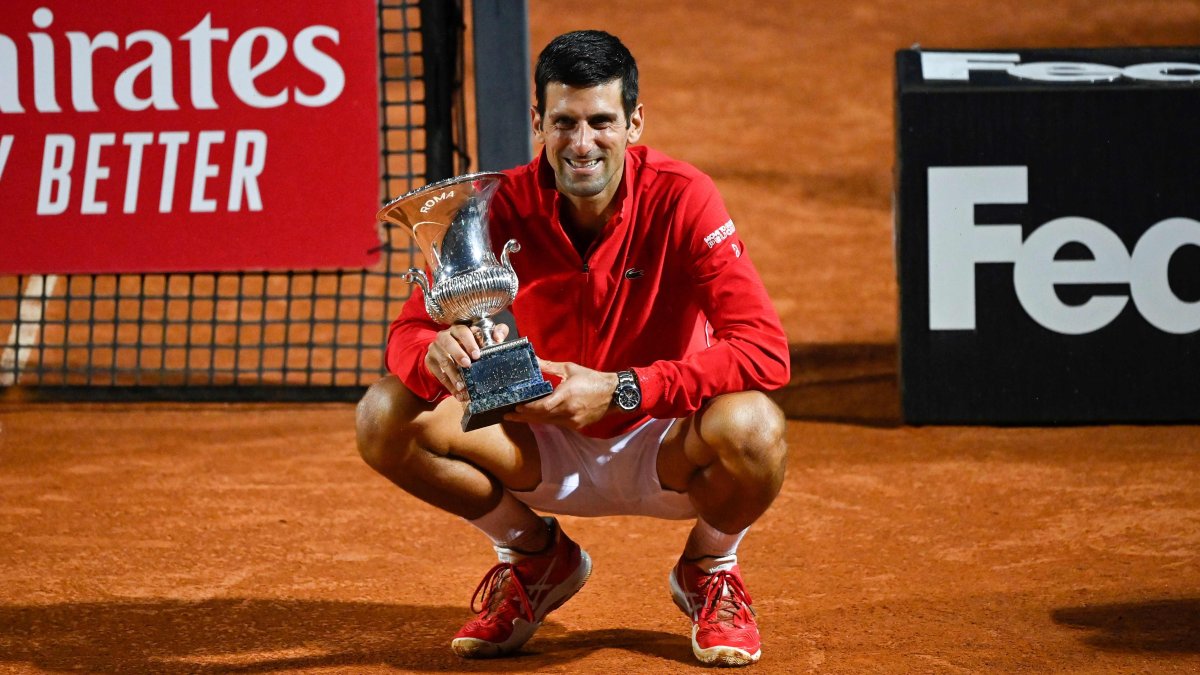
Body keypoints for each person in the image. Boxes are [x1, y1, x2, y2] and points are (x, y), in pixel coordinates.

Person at [356, 29, 790, 667]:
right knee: (383, 416)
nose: (582, 143)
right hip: (538, 442)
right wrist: (430, 354)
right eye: (563, 122)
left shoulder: (683, 196)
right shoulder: (491, 207)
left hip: (663, 440)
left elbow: (765, 352)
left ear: (634, 122)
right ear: (537, 121)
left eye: (601, 122)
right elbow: (407, 333)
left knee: (755, 426)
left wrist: (626, 388)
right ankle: (533, 556)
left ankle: (710, 566)